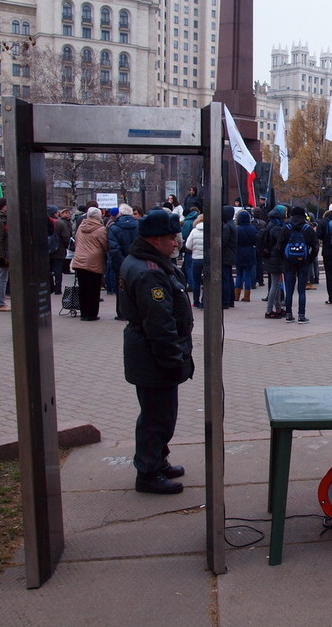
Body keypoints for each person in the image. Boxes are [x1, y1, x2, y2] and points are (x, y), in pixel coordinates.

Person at [119, 209, 194, 494]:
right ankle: (148, 473)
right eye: (172, 238)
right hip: (153, 357)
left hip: (148, 354)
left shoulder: (146, 262)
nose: (176, 242)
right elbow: (159, 325)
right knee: (156, 418)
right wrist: (174, 361)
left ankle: (157, 460)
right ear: (155, 239)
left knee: (159, 414)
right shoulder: (148, 272)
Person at [275, 205, 318, 323]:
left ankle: (288, 314)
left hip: (289, 262)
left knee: (289, 290)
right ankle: (301, 315)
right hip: (304, 261)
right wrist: (309, 258)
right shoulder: (307, 228)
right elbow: (315, 246)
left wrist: (284, 257)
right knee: (301, 290)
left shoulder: (286, 227)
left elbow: (279, 246)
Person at [71, 207, 109, 321]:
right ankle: (92, 314)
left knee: (83, 288)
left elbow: (77, 241)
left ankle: (84, 313)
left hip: (79, 259)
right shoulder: (100, 229)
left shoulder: (81, 227)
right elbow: (105, 245)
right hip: (94, 261)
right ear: (99, 216)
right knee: (93, 289)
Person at [107, 204, 140, 320]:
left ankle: (121, 312)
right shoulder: (139, 226)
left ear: (120, 214)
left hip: (120, 264)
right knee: (136, 287)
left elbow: (114, 249)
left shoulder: (114, 228)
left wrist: (122, 261)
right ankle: (136, 311)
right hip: (137, 262)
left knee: (120, 288)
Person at [258, 205, 287, 318]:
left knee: (276, 283)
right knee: (275, 284)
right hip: (275, 258)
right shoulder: (277, 227)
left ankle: (278, 308)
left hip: (270, 257)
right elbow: (281, 242)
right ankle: (269, 310)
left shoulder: (270, 223)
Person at [234, 209, 257, 302]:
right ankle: (247, 296)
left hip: (239, 252)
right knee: (247, 274)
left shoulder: (237, 229)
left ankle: (236, 295)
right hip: (250, 252)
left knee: (239, 275)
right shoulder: (253, 228)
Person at [184, 213, 205, 308]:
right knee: (207, 281)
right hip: (207, 259)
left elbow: (188, 245)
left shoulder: (194, 231)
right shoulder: (210, 230)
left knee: (196, 281)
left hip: (196, 258)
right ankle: (204, 301)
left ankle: (196, 301)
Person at [221, 204, 237, 308]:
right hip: (231, 254)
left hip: (226, 255)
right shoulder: (232, 224)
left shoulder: (227, 226)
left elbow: (223, 242)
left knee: (226, 278)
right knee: (229, 278)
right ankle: (230, 300)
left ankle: (226, 301)